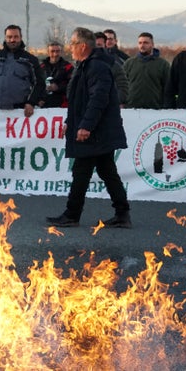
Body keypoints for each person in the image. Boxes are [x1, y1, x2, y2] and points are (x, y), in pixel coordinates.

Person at [46, 27, 131, 228]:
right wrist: (70, 122)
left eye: (73, 43)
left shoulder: (97, 67)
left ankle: (72, 214)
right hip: (95, 130)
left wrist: (85, 126)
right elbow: (78, 100)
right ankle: (122, 213)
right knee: (107, 171)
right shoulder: (85, 65)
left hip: (96, 132)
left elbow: (98, 99)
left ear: (83, 46)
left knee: (81, 171)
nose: (70, 48)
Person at [0, 24, 45, 117]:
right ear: (5, 38)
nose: (12, 40)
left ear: (21, 38)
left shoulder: (30, 60)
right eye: (9, 37)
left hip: (20, 113)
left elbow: (39, 83)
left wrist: (31, 102)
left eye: (16, 37)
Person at [122, 32, 170, 109]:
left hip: (155, 109)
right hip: (131, 108)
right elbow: (122, 85)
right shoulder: (129, 63)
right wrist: (122, 102)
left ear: (152, 44)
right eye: (140, 43)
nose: (142, 45)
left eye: (145, 43)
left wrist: (166, 106)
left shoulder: (163, 64)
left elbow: (168, 88)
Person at [94, 31, 129, 105]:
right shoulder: (84, 64)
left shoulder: (123, 59)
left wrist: (115, 101)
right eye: (106, 39)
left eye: (110, 39)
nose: (108, 41)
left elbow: (124, 85)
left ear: (115, 41)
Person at [39, 41, 73, 108]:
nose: (55, 54)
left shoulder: (68, 67)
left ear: (61, 52)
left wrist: (58, 87)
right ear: (48, 52)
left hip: (62, 106)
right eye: (52, 51)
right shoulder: (41, 67)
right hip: (44, 106)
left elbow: (73, 86)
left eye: (57, 51)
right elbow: (36, 85)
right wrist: (38, 99)